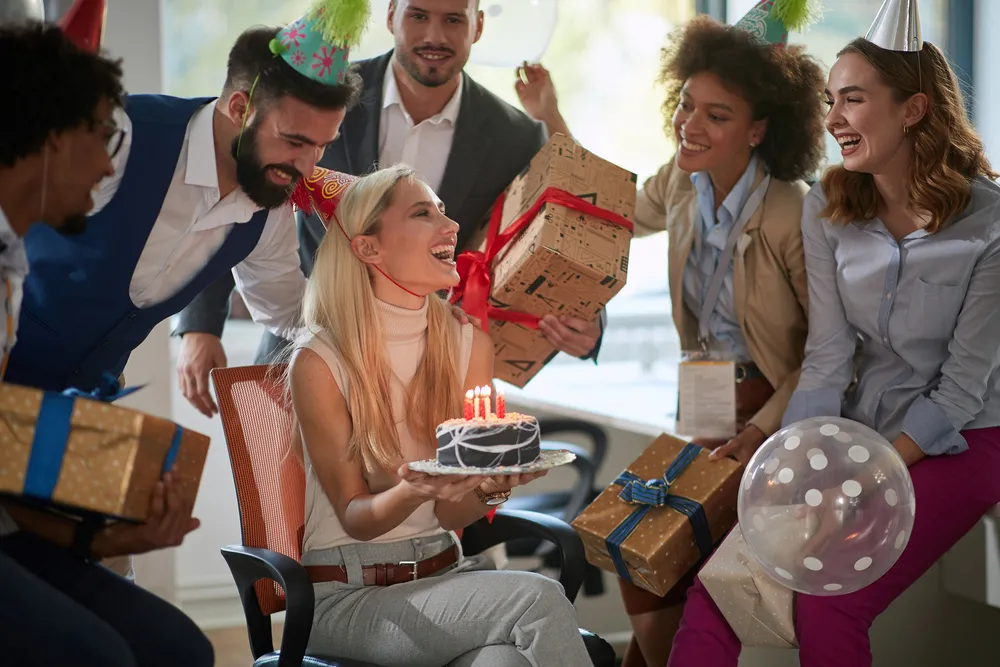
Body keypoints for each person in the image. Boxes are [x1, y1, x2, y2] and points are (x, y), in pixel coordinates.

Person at [667, 4, 1000, 666]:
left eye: (853, 99)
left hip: (966, 440)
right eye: (830, 101)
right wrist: (796, 466)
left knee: (828, 598)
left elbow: (964, 386)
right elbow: (825, 358)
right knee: (720, 585)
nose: (835, 119)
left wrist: (856, 480)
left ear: (913, 109)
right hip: (856, 433)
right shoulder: (828, 207)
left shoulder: (989, 222)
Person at [515, 6, 826, 665]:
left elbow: (827, 348)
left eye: (718, 114)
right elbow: (599, 206)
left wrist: (766, 427)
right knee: (638, 548)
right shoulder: (682, 186)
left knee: (663, 558)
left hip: (776, 413)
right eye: (688, 104)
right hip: (704, 401)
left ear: (760, 128)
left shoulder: (793, 210)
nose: (690, 124)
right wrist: (551, 114)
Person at [175, 0, 604, 417]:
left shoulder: (517, 137)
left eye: (453, 19)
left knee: (414, 491)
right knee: (287, 491)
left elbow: (556, 232)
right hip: (298, 358)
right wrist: (200, 322)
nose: (434, 35)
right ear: (391, 15)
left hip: (426, 382)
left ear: (477, 27)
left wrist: (590, 319)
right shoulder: (319, 100)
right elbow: (241, 186)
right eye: (418, 14)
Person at [288, 164, 593, 666]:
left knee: (506, 663)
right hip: (349, 597)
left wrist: (492, 486)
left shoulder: (467, 342)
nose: (450, 226)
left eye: (443, 212)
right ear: (368, 248)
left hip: (446, 577)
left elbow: (451, 515)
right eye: (422, 213)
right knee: (535, 597)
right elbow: (356, 520)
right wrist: (415, 488)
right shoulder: (320, 360)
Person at [2, 0, 365, 411]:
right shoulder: (121, 139)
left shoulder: (268, 211)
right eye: (294, 141)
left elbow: (287, 311)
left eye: (321, 147)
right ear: (240, 109)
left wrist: (386, 324)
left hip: (79, 404)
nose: (307, 165)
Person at [0, 20, 214, 667]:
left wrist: (108, 534)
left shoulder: (13, 266)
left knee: (179, 650)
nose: (107, 163)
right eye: (103, 136)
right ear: (56, 137)